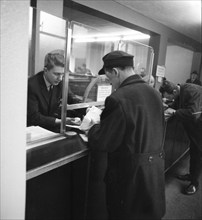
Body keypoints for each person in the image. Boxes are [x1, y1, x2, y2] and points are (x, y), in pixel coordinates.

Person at [85, 50, 166, 220]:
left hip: (129, 178)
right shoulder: (155, 94)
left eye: (109, 79)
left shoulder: (118, 98)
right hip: (153, 173)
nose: (111, 84)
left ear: (115, 72)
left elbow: (104, 142)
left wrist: (92, 128)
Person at [159, 80, 202, 195]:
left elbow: (194, 113)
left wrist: (174, 112)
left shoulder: (191, 90)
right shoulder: (179, 92)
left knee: (198, 153)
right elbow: (176, 105)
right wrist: (167, 106)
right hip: (195, 127)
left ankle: (194, 183)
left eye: (170, 97)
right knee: (194, 151)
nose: (171, 99)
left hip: (199, 126)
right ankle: (192, 175)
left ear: (174, 91)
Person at [27, 51, 82, 132]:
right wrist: (61, 121)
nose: (60, 78)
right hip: (35, 129)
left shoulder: (60, 82)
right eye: (56, 74)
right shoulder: (32, 85)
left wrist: (89, 110)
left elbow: (71, 99)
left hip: (51, 127)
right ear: (45, 70)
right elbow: (34, 117)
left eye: (62, 74)